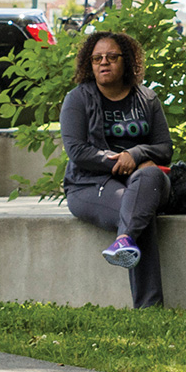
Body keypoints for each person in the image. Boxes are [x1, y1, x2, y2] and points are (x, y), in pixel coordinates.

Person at [59, 30, 174, 307]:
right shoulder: (78, 99)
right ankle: (149, 306)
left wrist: (135, 154)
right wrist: (120, 161)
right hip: (90, 185)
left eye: (112, 57)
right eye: (97, 58)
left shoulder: (147, 98)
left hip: (145, 181)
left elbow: (165, 148)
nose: (104, 63)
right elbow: (77, 151)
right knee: (136, 210)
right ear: (89, 63)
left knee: (146, 180)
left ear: (127, 61)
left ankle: (123, 240)